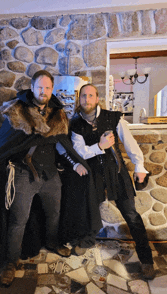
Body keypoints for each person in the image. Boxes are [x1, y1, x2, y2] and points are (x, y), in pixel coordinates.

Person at [0, 70, 99, 287]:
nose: (44, 91)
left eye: (48, 88)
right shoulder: (17, 111)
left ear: (52, 90)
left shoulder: (58, 114)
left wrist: (76, 163)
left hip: (50, 176)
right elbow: (3, 146)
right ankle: (11, 262)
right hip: (23, 174)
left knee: (54, 214)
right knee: (18, 220)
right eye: (40, 87)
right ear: (32, 87)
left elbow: (62, 145)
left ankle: (51, 243)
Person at [65, 84, 155, 280]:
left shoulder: (114, 118)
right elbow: (80, 153)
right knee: (89, 209)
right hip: (94, 174)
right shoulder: (75, 125)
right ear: (79, 100)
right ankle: (87, 241)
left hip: (117, 172)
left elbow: (130, 143)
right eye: (83, 96)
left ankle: (147, 260)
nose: (87, 99)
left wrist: (139, 166)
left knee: (132, 215)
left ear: (97, 98)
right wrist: (100, 146)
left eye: (90, 96)